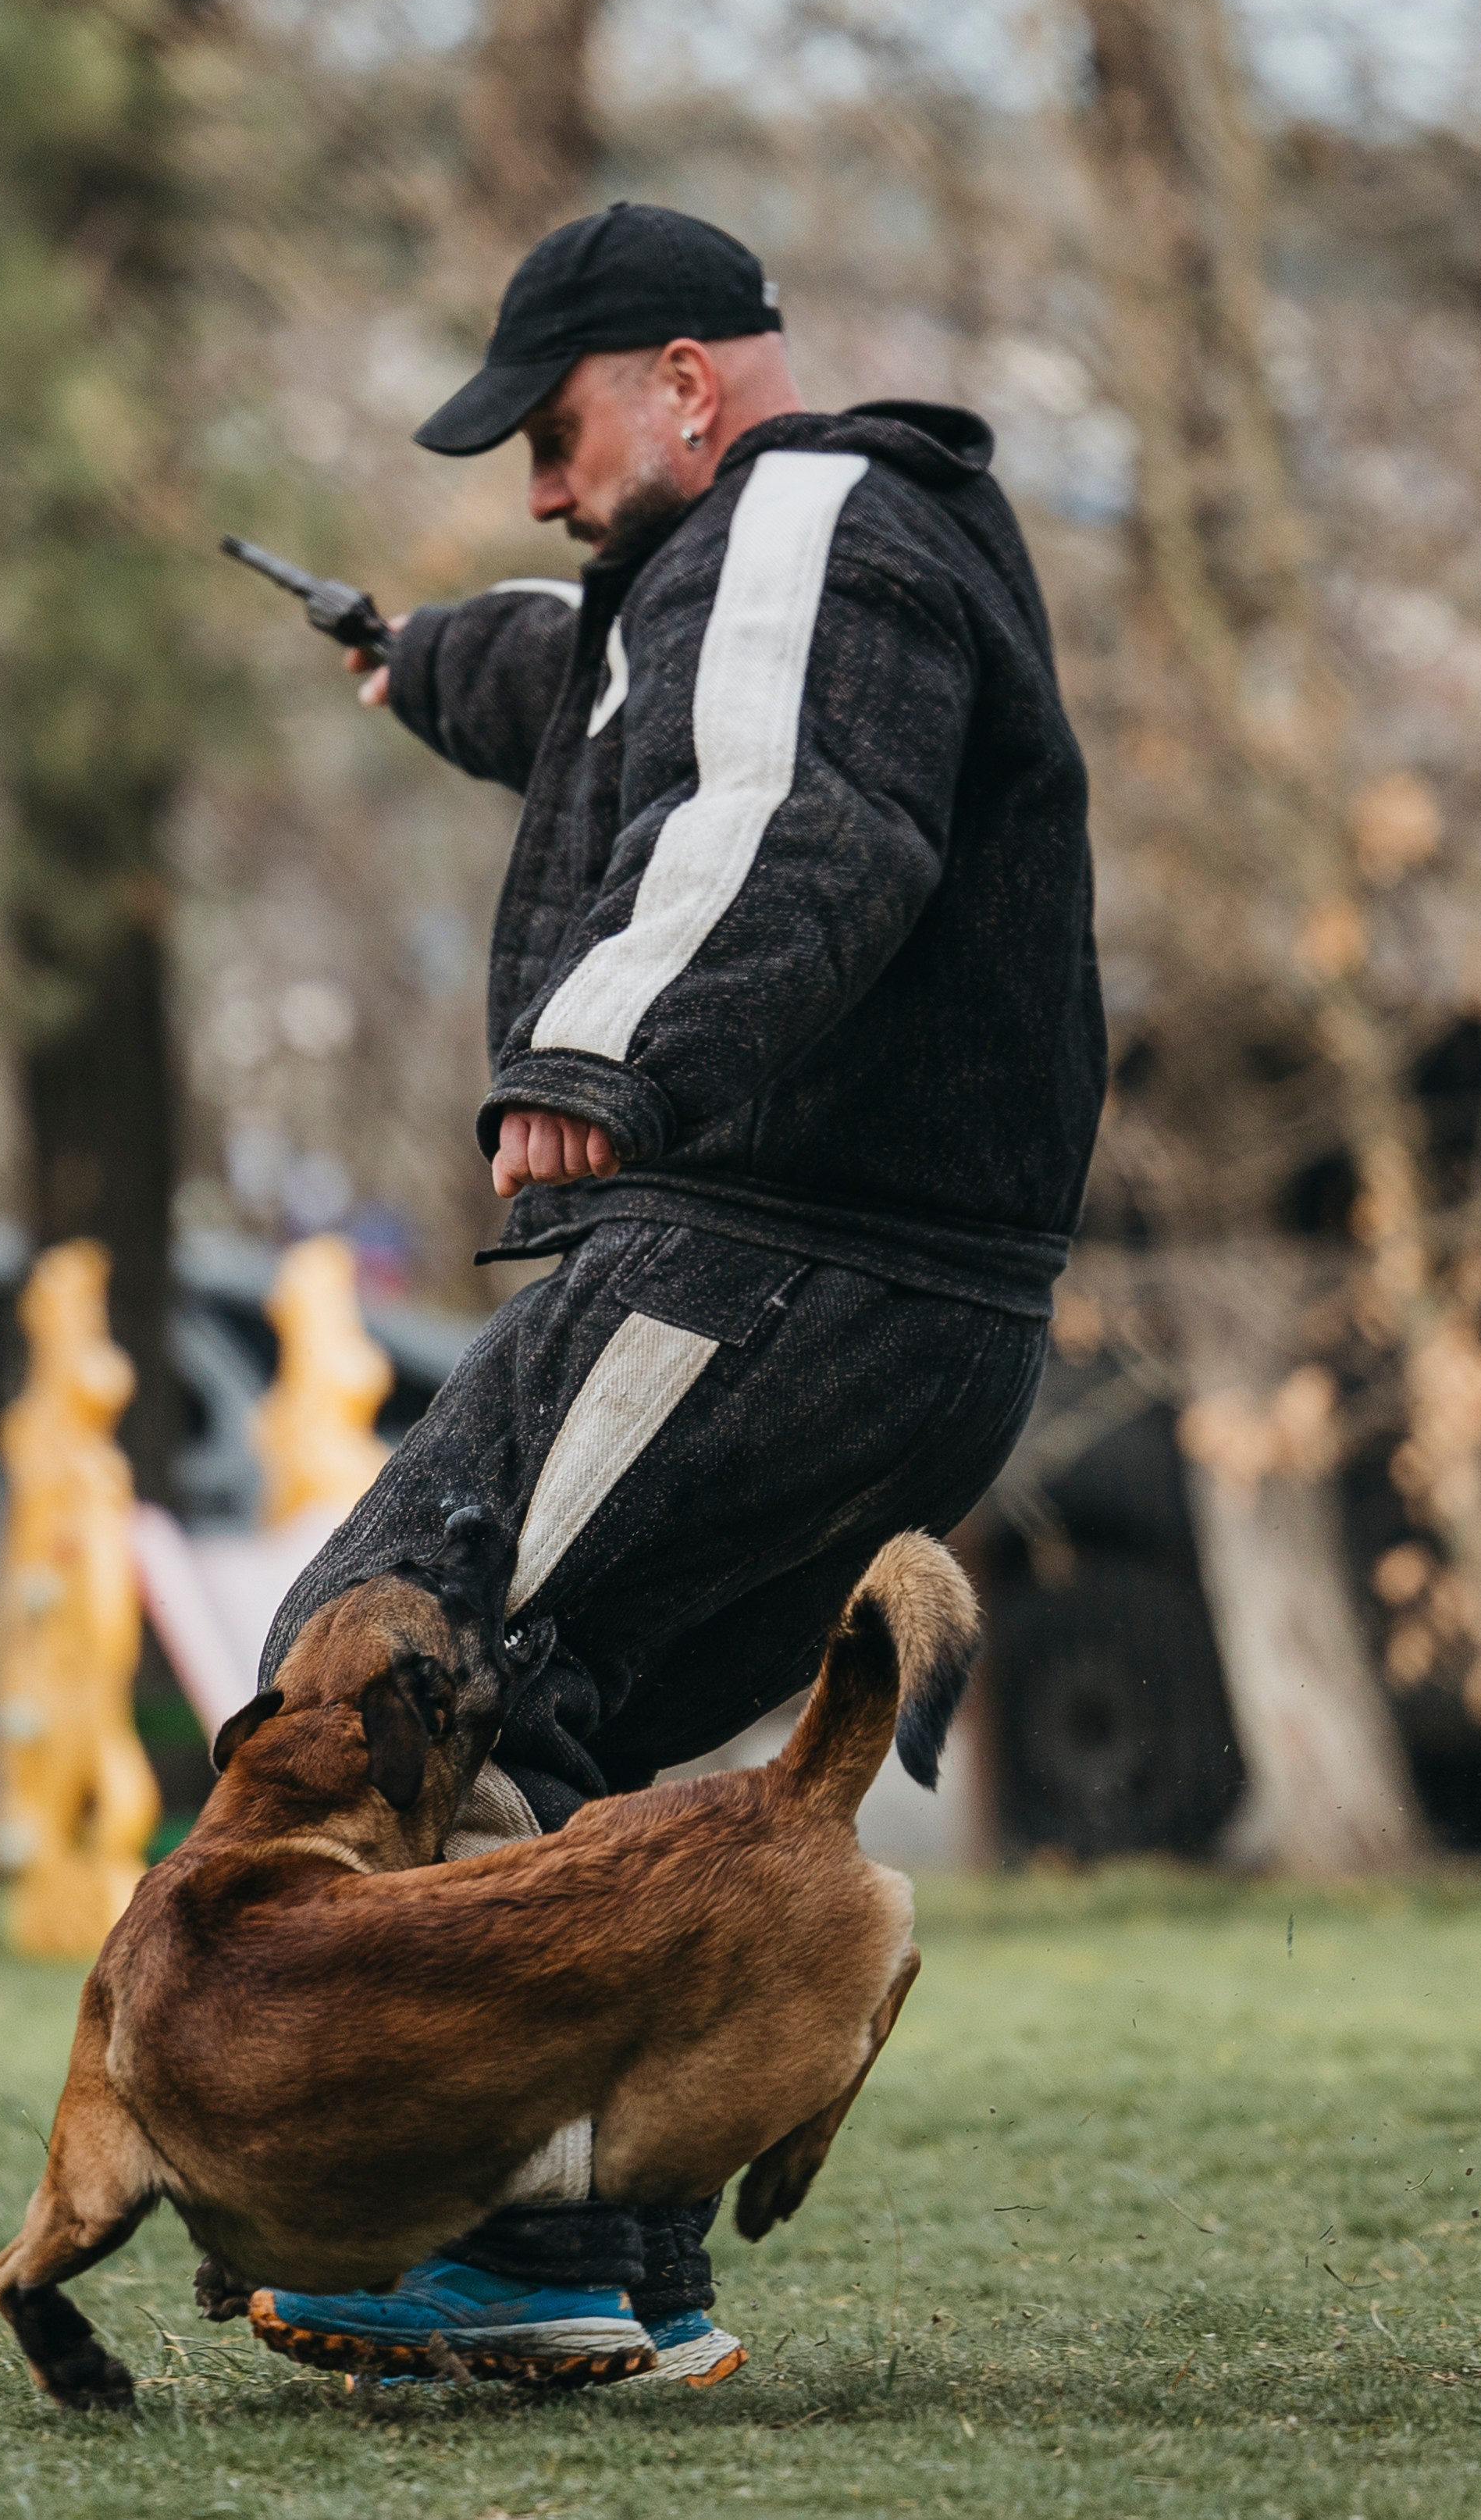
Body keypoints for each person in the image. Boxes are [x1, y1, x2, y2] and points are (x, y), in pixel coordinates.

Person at [252, 201, 1107, 2387]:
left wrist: (597, 1052)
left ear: (688, 383)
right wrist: (417, 660)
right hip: (919, 1301)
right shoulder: (761, 569)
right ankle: (625, 2259)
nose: (540, 488)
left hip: (773, 1255)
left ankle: (496, 2243)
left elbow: (798, 809)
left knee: (401, 1665)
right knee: (597, 1744)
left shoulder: (815, 515)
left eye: (552, 433)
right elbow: (594, 680)